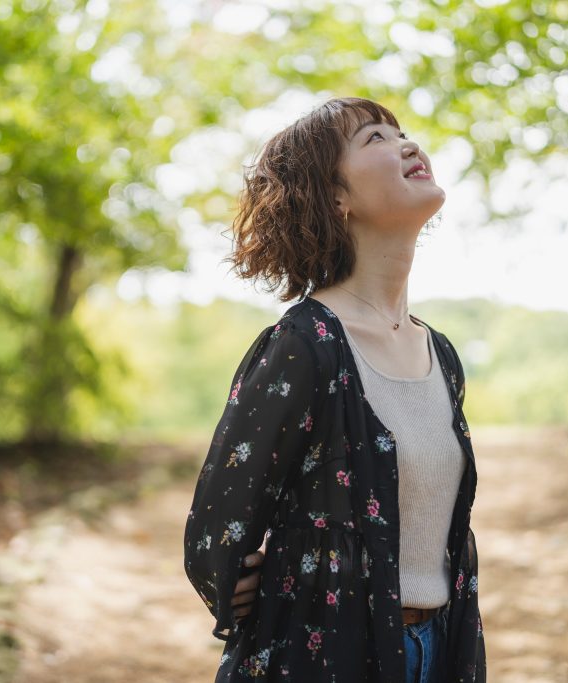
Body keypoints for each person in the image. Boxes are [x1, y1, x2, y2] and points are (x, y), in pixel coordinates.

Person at [183, 97, 485, 683]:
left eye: (401, 132)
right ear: (336, 198)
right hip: (328, 660)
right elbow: (219, 528)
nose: (405, 144)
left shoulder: (440, 353)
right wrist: (259, 578)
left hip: (437, 650)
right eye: (374, 138)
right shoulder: (304, 344)